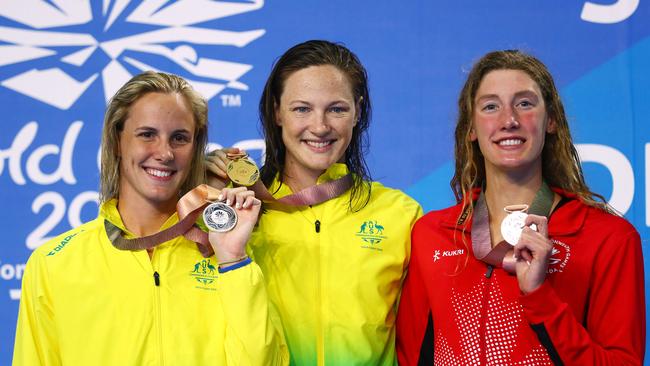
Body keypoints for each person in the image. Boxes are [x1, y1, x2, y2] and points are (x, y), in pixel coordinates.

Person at [13, 71, 288, 365]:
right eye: (147, 134)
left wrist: (233, 260)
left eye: (179, 138)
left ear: (195, 148)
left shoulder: (234, 254)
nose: (165, 153)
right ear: (117, 141)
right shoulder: (55, 263)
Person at [396, 50, 645, 365]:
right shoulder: (432, 234)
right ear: (471, 128)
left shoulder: (609, 239)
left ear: (551, 120)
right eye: (490, 107)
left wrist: (540, 296)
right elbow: (410, 357)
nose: (509, 120)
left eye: (525, 104)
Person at [206, 40, 422, 365]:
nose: (320, 127)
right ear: (277, 111)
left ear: (357, 111)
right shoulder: (237, 213)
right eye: (302, 109)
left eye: (336, 109)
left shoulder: (401, 215)